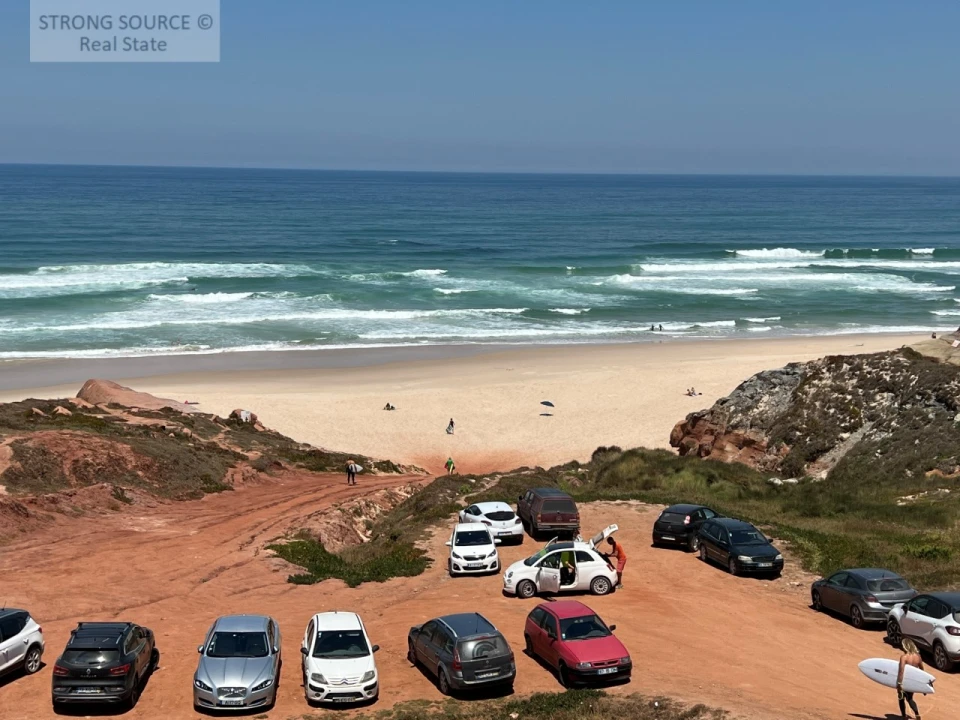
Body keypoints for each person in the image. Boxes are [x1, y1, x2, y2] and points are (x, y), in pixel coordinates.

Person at [897, 638, 924, 720]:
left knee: (901, 698)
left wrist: (899, 683)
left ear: (905, 646)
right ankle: (917, 714)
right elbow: (922, 670)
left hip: (904, 680)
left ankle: (904, 716)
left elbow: (901, 671)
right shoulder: (918, 657)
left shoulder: (904, 657)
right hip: (912, 681)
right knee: (910, 698)